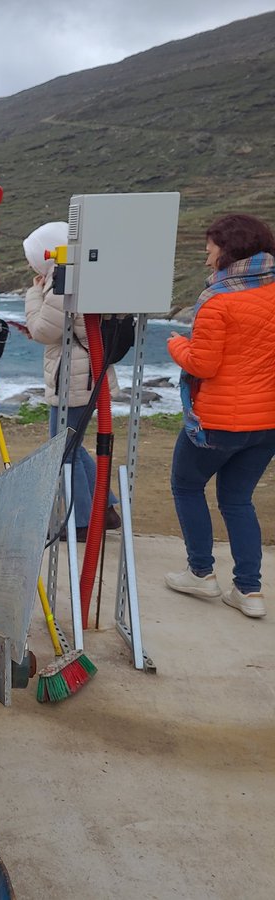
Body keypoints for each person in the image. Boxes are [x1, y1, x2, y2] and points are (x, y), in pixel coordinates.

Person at [164, 213, 275, 619]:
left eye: (210, 246)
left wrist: (176, 345)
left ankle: (201, 574)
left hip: (218, 421)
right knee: (238, 499)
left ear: (228, 249)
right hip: (267, 423)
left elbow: (203, 365)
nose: (206, 254)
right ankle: (249, 591)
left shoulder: (219, 300)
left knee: (187, 486)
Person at [23, 221, 121, 541]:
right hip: (89, 373)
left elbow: (43, 330)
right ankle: (104, 508)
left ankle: (78, 523)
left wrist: (33, 293)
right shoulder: (85, 274)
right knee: (73, 447)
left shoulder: (61, 279)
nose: (31, 265)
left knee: (64, 451)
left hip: (74, 380)